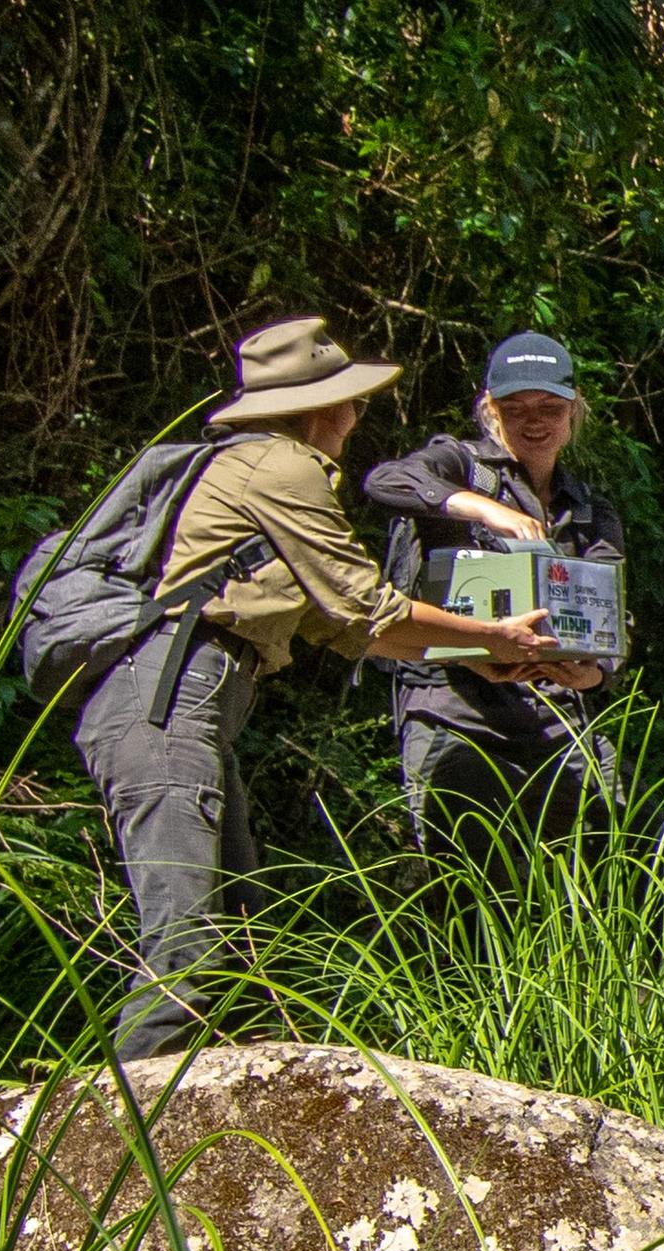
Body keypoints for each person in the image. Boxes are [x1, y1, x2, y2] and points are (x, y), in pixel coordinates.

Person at [80, 316, 554, 1062]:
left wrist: (478, 653)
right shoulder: (282, 469)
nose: (358, 416)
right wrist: (493, 636)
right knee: (188, 962)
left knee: (240, 950)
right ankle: (116, 1160)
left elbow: (343, 628)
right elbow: (367, 607)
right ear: (317, 410)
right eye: (351, 401)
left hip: (184, 708)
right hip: (166, 703)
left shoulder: (251, 469)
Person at [361, 329, 622, 863]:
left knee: (625, 865)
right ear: (490, 409)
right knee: (478, 890)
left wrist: (588, 673)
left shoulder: (591, 510)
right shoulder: (458, 465)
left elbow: (613, 635)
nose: (534, 421)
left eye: (550, 406)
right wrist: (480, 508)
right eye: (514, 406)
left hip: (560, 717)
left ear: (574, 410)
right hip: (455, 712)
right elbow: (385, 480)